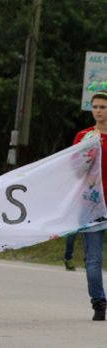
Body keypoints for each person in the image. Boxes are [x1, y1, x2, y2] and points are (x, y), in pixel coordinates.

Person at [73, 90, 107, 321]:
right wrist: (87, 151)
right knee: (93, 259)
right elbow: (74, 168)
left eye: (103, 107)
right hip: (91, 204)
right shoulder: (84, 136)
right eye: (95, 107)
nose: (98, 111)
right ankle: (98, 302)